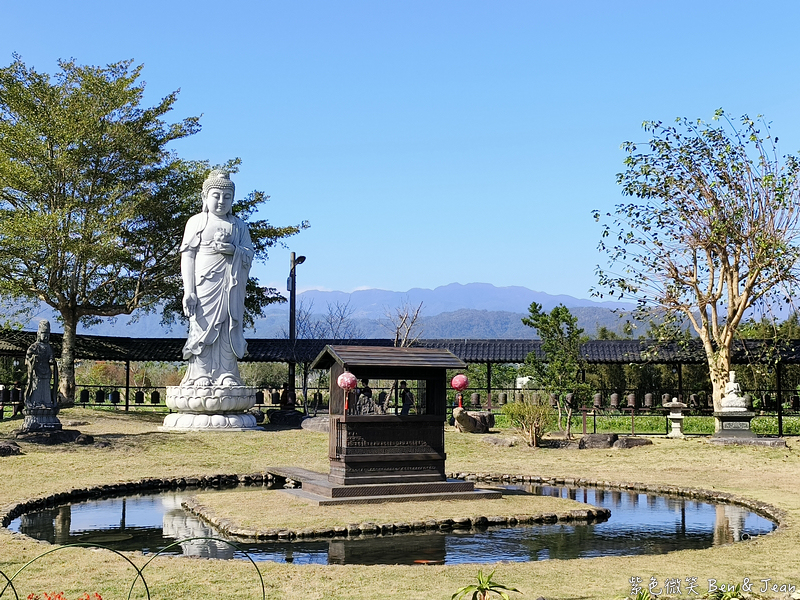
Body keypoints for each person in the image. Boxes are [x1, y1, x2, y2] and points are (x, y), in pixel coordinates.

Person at [180, 170, 254, 386]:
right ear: (205, 197)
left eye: (227, 197)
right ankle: (201, 373)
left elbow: (248, 254)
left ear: (233, 199)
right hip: (204, 284)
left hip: (231, 284)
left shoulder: (239, 226)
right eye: (216, 196)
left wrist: (234, 250)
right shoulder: (197, 222)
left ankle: (227, 373)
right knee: (202, 326)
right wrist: (189, 291)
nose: (222, 201)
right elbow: (188, 256)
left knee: (229, 325)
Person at [25, 320, 58, 409]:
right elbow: (28, 356)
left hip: (46, 371)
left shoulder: (49, 347)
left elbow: (51, 356)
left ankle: (47, 402)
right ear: (39, 334)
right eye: (44, 334)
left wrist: (51, 360)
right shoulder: (34, 346)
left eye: (48, 334)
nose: (46, 337)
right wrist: (33, 359)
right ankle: (36, 402)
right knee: (37, 386)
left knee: (46, 387)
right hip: (37, 370)